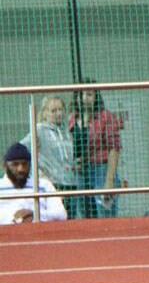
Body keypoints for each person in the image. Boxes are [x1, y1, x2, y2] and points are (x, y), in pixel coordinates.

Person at [20, 95, 80, 218]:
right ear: (45, 113)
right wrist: (38, 170)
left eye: (60, 109)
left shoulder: (67, 132)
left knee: (71, 218)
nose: (58, 113)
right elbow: (21, 148)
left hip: (70, 182)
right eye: (53, 111)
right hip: (52, 184)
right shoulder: (39, 130)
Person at [69, 81, 122, 218]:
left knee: (105, 214)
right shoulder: (72, 119)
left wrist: (109, 180)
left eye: (89, 94)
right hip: (81, 173)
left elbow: (114, 148)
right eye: (81, 94)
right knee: (85, 215)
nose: (84, 98)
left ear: (96, 97)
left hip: (101, 170)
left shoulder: (106, 117)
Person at [0, 143, 67, 225]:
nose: (21, 169)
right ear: (5, 165)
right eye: (15, 164)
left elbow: (61, 214)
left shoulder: (43, 185)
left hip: (40, 230)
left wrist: (35, 215)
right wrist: (14, 217)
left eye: (24, 164)